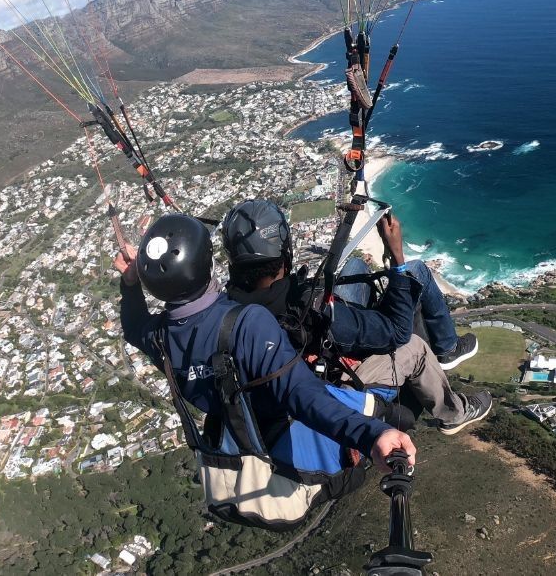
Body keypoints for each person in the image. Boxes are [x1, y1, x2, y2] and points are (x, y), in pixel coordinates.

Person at [117, 212, 415, 524]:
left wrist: (130, 283)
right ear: (208, 265)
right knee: (402, 413)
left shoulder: (159, 338)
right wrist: (370, 435)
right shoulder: (246, 322)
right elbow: (301, 395)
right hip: (282, 434)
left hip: (243, 430)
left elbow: (133, 325)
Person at [221, 198, 493, 435]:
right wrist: (397, 257)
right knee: (416, 287)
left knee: (355, 265)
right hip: (340, 376)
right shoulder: (304, 305)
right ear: (286, 252)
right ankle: (454, 410)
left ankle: (446, 348)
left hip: (313, 347)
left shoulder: (227, 307)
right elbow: (397, 332)